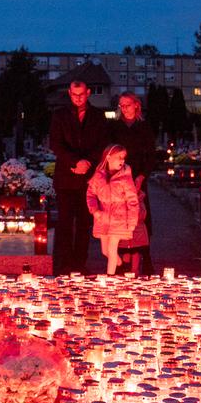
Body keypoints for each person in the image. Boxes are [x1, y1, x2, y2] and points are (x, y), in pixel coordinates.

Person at [49, 80, 109, 274]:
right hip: (66, 177)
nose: (78, 98)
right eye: (74, 95)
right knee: (65, 221)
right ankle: (63, 263)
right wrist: (75, 162)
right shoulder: (59, 115)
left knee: (84, 222)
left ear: (88, 92)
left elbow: (102, 144)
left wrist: (88, 163)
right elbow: (56, 144)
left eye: (81, 94)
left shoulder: (98, 116)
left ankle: (79, 264)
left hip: (88, 179)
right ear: (69, 93)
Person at [110, 92, 158, 274]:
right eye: (121, 105)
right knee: (121, 218)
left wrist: (142, 176)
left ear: (136, 105)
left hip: (138, 178)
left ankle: (145, 256)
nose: (124, 108)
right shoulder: (115, 127)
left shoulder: (144, 127)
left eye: (127, 105)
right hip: (119, 179)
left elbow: (151, 155)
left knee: (141, 219)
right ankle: (123, 257)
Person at [86, 144, 141, 275]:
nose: (122, 161)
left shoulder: (125, 178)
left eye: (124, 158)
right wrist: (95, 210)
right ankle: (121, 264)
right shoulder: (98, 176)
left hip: (119, 218)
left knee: (112, 248)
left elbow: (133, 201)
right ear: (109, 157)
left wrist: (132, 221)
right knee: (105, 251)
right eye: (119, 157)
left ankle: (109, 277)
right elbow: (90, 194)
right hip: (103, 218)